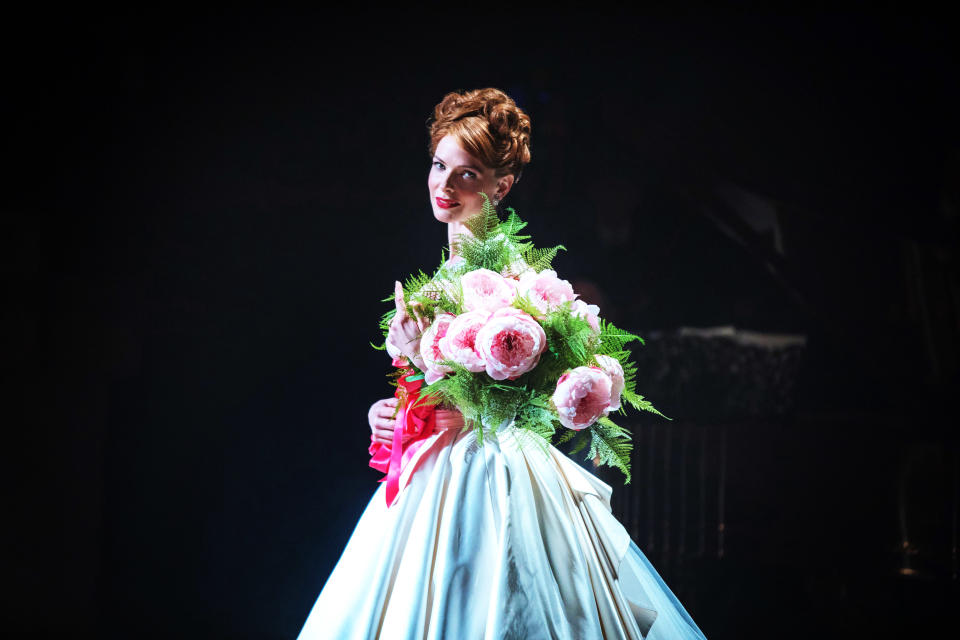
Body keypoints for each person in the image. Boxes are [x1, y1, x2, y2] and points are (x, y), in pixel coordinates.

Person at [297, 89, 708, 640]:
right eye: (439, 165)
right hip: (435, 465)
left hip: (490, 468)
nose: (444, 186)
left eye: (466, 175)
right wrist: (393, 413)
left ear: (501, 186)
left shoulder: (515, 279)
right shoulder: (441, 275)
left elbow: (519, 395)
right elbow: (431, 386)